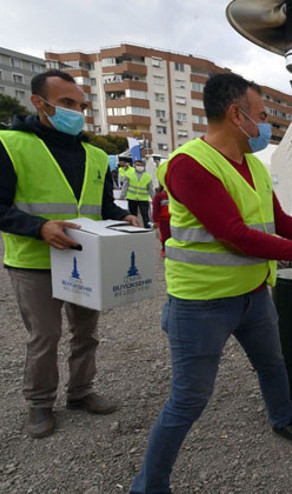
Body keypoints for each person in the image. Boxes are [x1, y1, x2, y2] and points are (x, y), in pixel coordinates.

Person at [129, 73, 292, 494]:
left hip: (253, 294)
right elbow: (234, 233)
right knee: (189, 399)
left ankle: (282, 418)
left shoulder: (252, 163)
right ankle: (149, 486)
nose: (266, 123)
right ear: (236, 115)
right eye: (262, 115)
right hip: (201, 303)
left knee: (273, 363)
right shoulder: (188, 165)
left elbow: (280, 223)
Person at [0, 69, 139, 438]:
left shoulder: (95, 155)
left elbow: (104, 207)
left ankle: (80, 393)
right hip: (34, 261)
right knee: (44, 337)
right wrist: (40, 227)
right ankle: (39, 404)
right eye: (66, 104)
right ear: (38, 102)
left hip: (84, 259)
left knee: (86, 333)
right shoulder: (10, 144)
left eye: (80, 105)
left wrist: (123, 217)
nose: (76, 112)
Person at [121, 159, 153, 227]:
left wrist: (154, 198)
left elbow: (151, 189)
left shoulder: (148, 176)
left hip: (143, 199)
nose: (139, 167)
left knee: (145, 215)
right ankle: (134, 228)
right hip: (131, 198)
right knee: (132, 215)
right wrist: (122, 196)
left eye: (141, 165)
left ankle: (147, 228)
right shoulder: (129, 174)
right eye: (138, 165)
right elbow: (125, 186)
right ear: (134, 165)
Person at [151, 185, 170, 258]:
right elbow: (155, 209)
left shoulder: (175, 196)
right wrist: (156, 221)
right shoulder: (159, 196)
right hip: (163, 220)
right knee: (165, 236)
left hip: (174, 220)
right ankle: (164, 250)